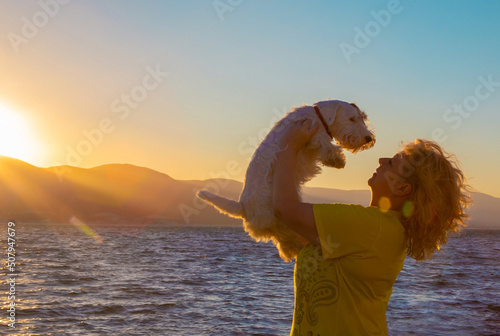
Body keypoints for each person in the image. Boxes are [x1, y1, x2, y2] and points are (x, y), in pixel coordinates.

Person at [273, 119, 471, 335]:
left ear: (402, 187)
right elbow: (296, 227)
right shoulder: (383, 227)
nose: (381, 159)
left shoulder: (371, 225)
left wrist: (289, 145)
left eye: (392, 163)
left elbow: (285, 209)